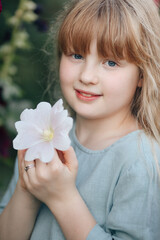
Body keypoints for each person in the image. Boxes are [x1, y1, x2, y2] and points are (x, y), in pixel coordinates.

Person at [0, 0, 160, 239]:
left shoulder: (142, 160)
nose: (86, 76)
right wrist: (28, 189)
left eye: (111, 62)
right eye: (76, 55)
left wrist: (62, 198)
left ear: (142, 73)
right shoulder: (42, 134)